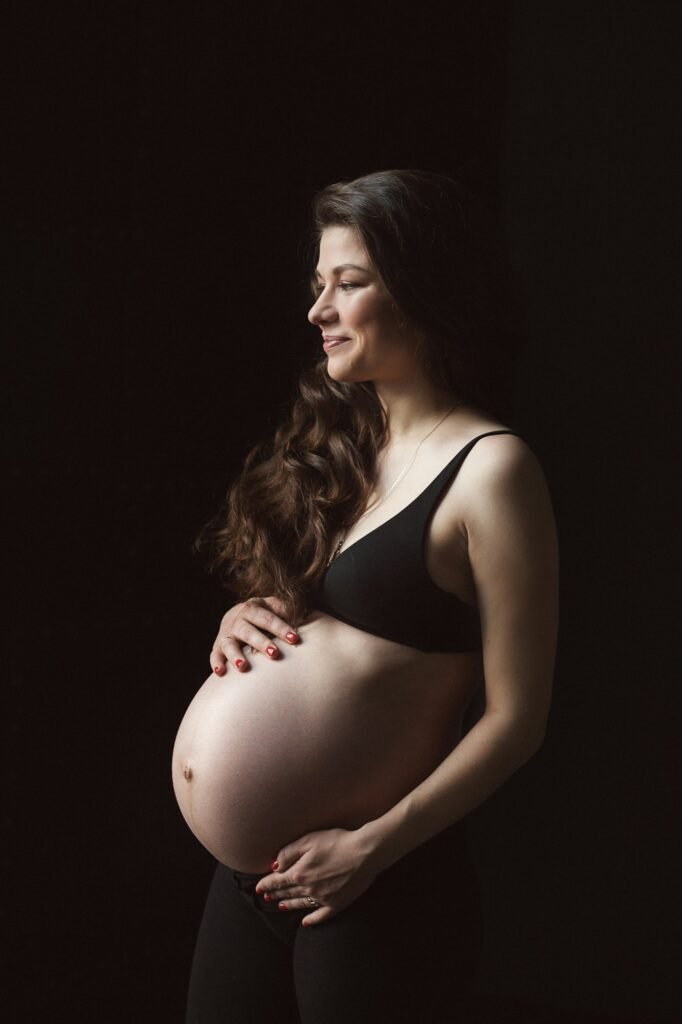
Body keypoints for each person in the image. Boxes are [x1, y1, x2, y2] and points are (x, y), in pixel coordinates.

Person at [174, 168, 559, 1023]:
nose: (320, 310)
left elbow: (517, 720)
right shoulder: (345, 447)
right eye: (319, 285)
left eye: (349, 284)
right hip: (250, 882)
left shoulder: (493, 469)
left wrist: (371, 850)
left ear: (424, 290)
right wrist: (244, 619)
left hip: (374, 882)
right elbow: (325, 639)